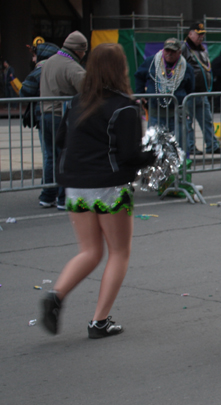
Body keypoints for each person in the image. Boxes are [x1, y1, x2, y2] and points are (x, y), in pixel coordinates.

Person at [40, 43, 155, 339]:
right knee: (119, 252)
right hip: (110, 186)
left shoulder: (78, 101)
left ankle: (56, 295)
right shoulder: (125, 106)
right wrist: (153, 156)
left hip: (75, 185)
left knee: (89, 251)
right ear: (120, 70)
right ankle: (99, 321)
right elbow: (130, 154)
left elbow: (63, 139)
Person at [39, 30, 87, 210]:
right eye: (84, 52)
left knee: (51, 156)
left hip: (45, 114)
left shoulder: (49, 62)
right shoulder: (72, 66)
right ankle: (62, 198)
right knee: (64, 157)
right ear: (79, 50)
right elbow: (86, 91)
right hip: (62, 116)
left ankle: (47, 195)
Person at [135, 38, 195, 150]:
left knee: (177, 146)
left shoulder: (186, 67)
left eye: (173, 51)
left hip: (177, 113)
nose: (169, 53)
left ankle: (179, 166)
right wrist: (141, 94)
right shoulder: (151, 62)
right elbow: (139, 76)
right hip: (156, 113)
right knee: (154, 145)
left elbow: (190, 89)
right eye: (167, 50)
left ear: (179, 52)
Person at [182, 22, 221, 155]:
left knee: (207, 120)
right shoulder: (184, 48)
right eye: (198, 34)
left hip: (201, 92)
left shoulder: (202, 50)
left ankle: (212, 146)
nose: (201, 37)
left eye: (203, 34)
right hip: (189, 93)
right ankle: (190, 146)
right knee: (188, 122)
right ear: (190, 34)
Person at [19, 42, 59, 137]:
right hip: (61, 114)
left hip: (43, 114)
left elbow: (24, 92)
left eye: (34, 56)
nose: (33, 60)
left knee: (48, 149)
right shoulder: (59, 69)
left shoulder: (39, 71)